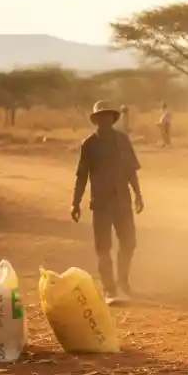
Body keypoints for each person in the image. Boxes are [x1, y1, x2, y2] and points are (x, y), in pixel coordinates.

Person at [71, 100, 145, 305]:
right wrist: (75, 202)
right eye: (100, 117)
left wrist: (138, 194)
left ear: (113, 118)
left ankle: (123, 281)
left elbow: (131, 170)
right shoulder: (89, 144)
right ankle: (109, 289)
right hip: (101, 203)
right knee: (103, 248)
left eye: (108, 116)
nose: (104, 120)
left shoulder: (123, 140)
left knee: (129, 243)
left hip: (122, 200)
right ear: (95, 120)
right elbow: (81, 175)